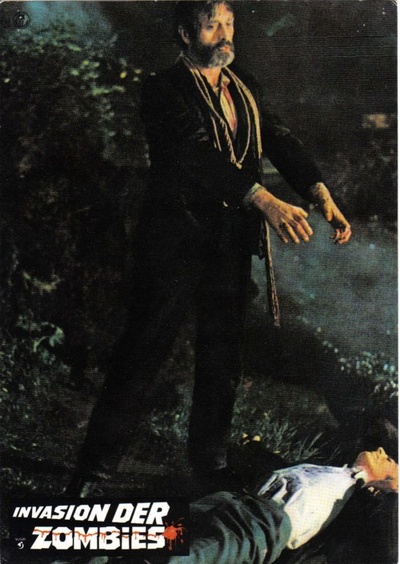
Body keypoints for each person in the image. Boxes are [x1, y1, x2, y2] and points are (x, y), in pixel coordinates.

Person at [66, 0, 352, 496]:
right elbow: (193, 154)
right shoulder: (163, 88)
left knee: (222, 361)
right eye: (211, 24)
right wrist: (265, 200)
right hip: (173, 245)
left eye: (229, 22)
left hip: (229, 246)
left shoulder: (243, 85)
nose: (224, 34)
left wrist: (320, 194)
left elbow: (278, 137)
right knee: (143, 355)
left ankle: (209, 470)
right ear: (184, 33)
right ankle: (92, 473)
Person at [167, 448, 398, 564]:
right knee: (153, 530)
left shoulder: (354, 493)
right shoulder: (338, 472)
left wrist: (389, 487)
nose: (381, 451)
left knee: (188, 557)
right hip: (240, 501)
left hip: (262, 524)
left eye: (389, 460)